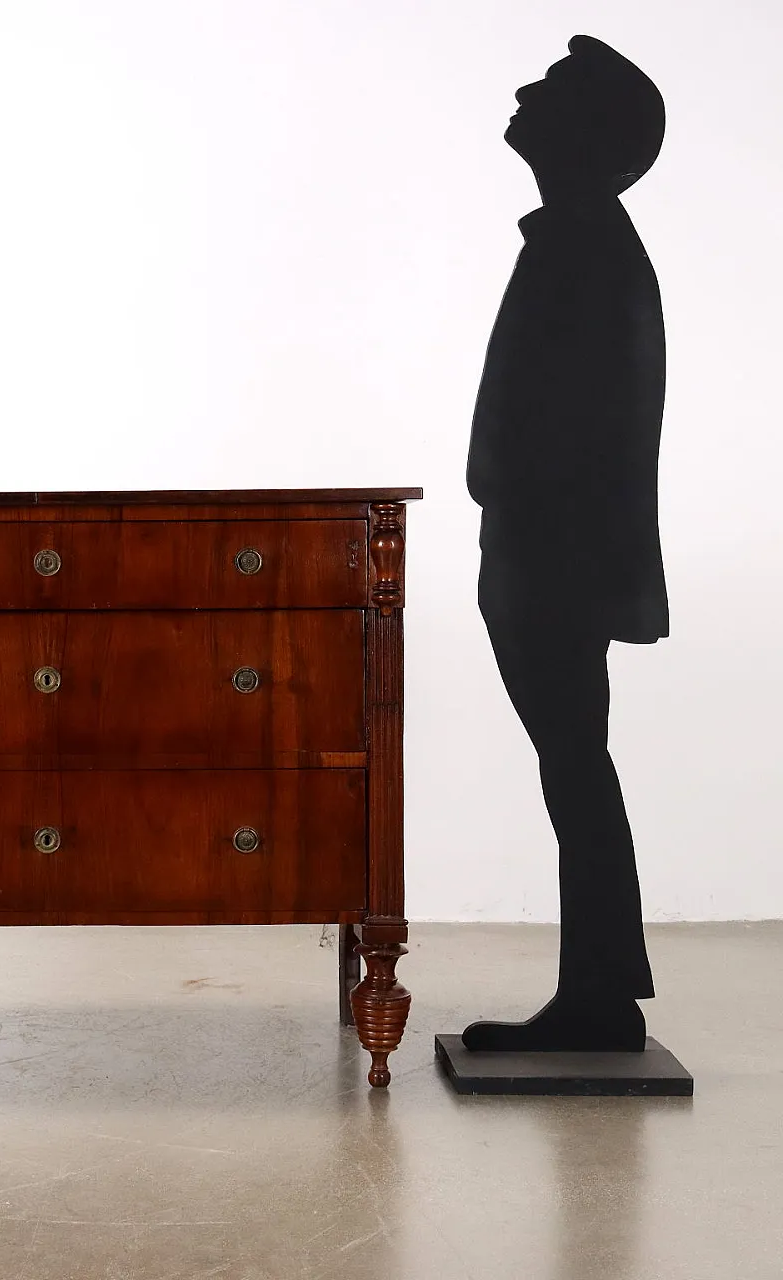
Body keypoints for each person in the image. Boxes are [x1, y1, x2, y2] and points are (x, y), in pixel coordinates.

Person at [462, 35, 667, 1052]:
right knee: (575, 763)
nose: (521, 91)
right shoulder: (579, 240)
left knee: (574, 764)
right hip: (544, 551)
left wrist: (517, 512)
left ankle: (597, 997)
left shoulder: (583, 247)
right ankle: (600, 989)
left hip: (553, 558)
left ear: (581, 130)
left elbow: (585, 423)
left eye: (546, 88)